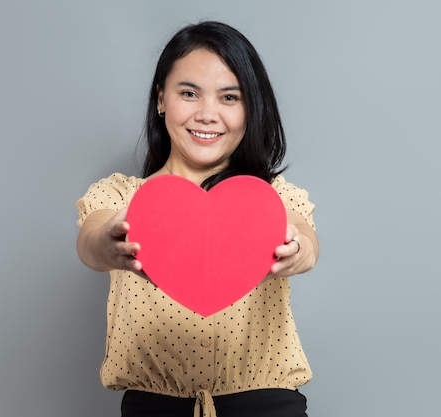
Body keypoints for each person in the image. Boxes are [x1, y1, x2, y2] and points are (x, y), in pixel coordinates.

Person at [76, 21, 319, 417]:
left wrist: (297, 250)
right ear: (161, 100)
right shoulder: (120, 196)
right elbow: (91, 241)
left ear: (250, 107)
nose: (207, 114)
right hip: (152, 409)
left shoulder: (271, 196)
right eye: (189, 93)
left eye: (229, 97)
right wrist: (109, 242)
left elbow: (305, 239)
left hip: (266, 406)